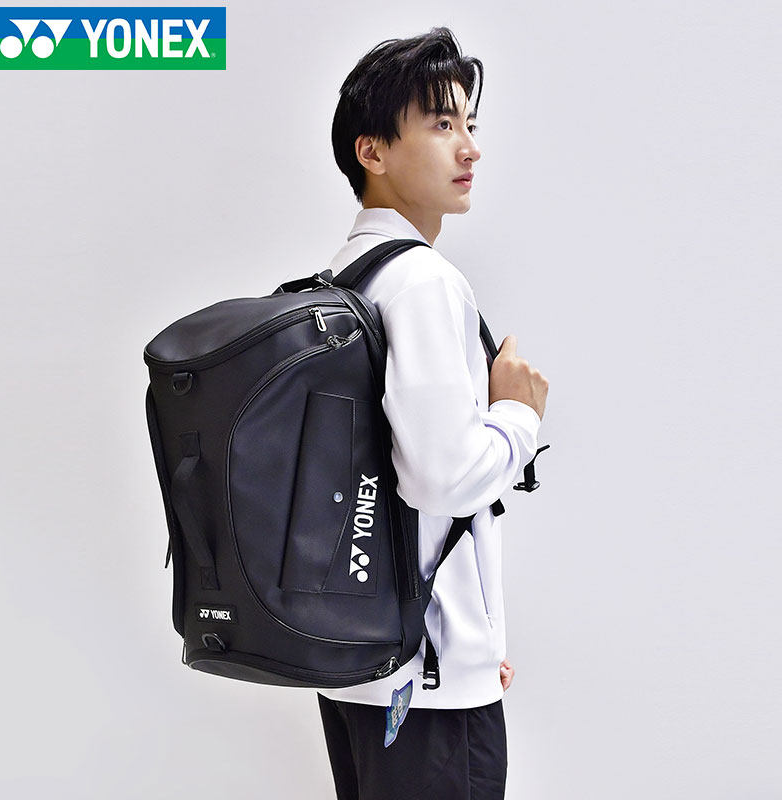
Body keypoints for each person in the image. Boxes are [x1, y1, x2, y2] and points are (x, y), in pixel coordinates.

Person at [317, 27, 549, 800]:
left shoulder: (344, 278)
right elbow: (442, 481)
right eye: (442, 124)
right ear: (372, 152)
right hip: (429, 682)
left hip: (360, 667)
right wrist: (517, 415)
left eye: (469, 124)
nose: (469, 147)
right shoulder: (422, 282)